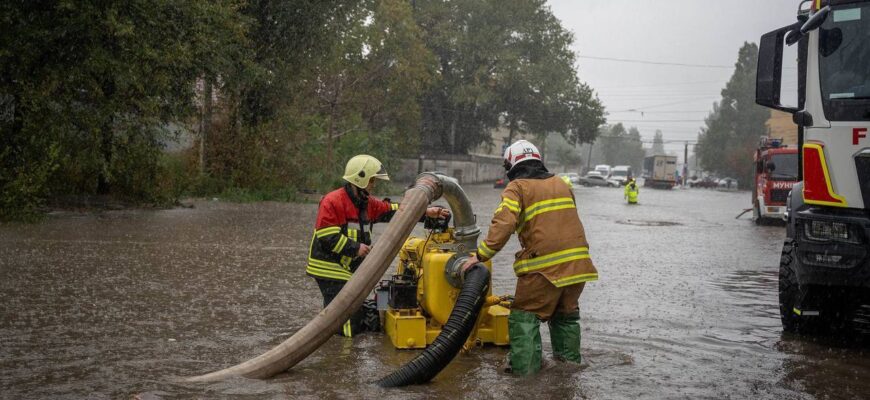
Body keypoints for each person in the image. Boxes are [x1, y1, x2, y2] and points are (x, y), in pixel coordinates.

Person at [461, 140, 598, 375]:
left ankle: (526, 379)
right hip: (579, 267)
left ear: (512, 165)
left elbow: (503, 224)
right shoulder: (562, 184)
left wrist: (480, 255)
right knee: (565, 318)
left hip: (543, 269)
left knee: (524, 317)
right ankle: (568, 373)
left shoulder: (517, 187)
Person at [306, 154, 450, 337]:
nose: (374, 184)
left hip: (348, 268)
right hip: (328, 268)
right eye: (372, 180)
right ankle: (344, 356)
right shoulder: (333, 201)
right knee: (347, 317)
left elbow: (396, 212)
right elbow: (327, 236)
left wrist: (425, 212)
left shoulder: (366, 203)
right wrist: (356, 248)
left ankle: (338, 344)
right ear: (361, 178)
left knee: (346, 313)